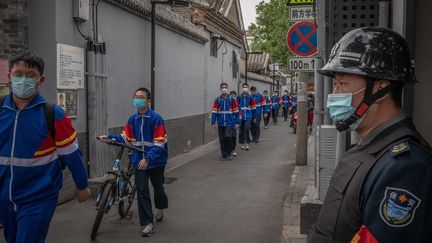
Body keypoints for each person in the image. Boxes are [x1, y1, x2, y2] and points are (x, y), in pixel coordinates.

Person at [308, 27, 432, 243]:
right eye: (335, 84)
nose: (334, 95)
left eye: (342, 84)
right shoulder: (369, 148)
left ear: (380, 87)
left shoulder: (406, 166)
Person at [0, 51, 90, 243]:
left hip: (38, 199)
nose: (23, 79)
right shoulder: (1, 110)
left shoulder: (53, 115)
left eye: (30, 75)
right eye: (18, 74)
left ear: (41, 80)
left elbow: (72, 155)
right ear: (10, 77)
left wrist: (82, 185)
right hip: (4, 199)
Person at [100, 87, 168, 237]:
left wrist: (148, 158)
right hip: (139, 161)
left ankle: (160, 207)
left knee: (158, 188)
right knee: (142, 191)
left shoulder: (156, 119)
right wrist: (110, 137)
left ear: (148, 101)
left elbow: (159, 144)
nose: (138, 99)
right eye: (136, 96)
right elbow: (126, 137)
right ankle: (148, 223)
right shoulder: (132, 119)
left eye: (141, 97)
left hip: (156, 161)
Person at [211, 83, 239, 160]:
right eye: (222, 88)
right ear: (220, 89)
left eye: (225, 87)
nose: (224, 89)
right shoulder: (218, 100)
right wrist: (213, 122)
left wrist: (237, 123)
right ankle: (224, 155)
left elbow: (236, 112)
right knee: (222, 139)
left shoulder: (231, 99)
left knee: (228, 138)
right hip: (220, 123)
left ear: (227, 89)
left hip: (229, 123)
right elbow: (214, 112)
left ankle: (229, 154)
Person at [238, 83, 256, 151]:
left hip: (248, 116)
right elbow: (236, 107)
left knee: (247, 129)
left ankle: (247, 144)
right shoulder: (239, 97)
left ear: (248, 88)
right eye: (243, 87)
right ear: (242, 88)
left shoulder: (250, 97)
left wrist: (254, 117)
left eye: (246, 87)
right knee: (241, 129)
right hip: (241, 116)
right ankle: (242, 143)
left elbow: (254, 108)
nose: (244, 88)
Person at [230, 90, 239, 156]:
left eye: (234, 95)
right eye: (231, 95)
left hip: (234, 122)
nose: (233, 96)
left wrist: (237, 123)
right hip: (228, 122)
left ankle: (233, 150)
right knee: (228, 137)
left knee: (234, 136)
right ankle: (229, 150)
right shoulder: (227, 102)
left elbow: (239, 114)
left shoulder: (238, 104)